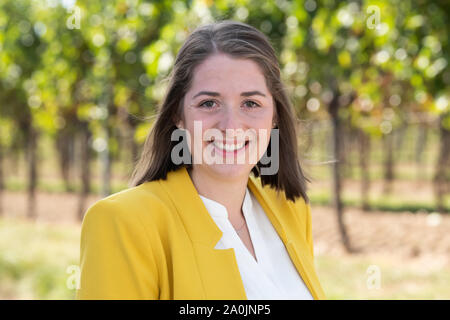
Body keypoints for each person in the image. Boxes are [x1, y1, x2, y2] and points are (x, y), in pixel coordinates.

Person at [75, 20, 326, 300]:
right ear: (178, 115)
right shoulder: (122, 223)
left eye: (251, 103)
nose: (231, 126)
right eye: (209, 103)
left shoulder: (291, 209)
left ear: (275, 115)